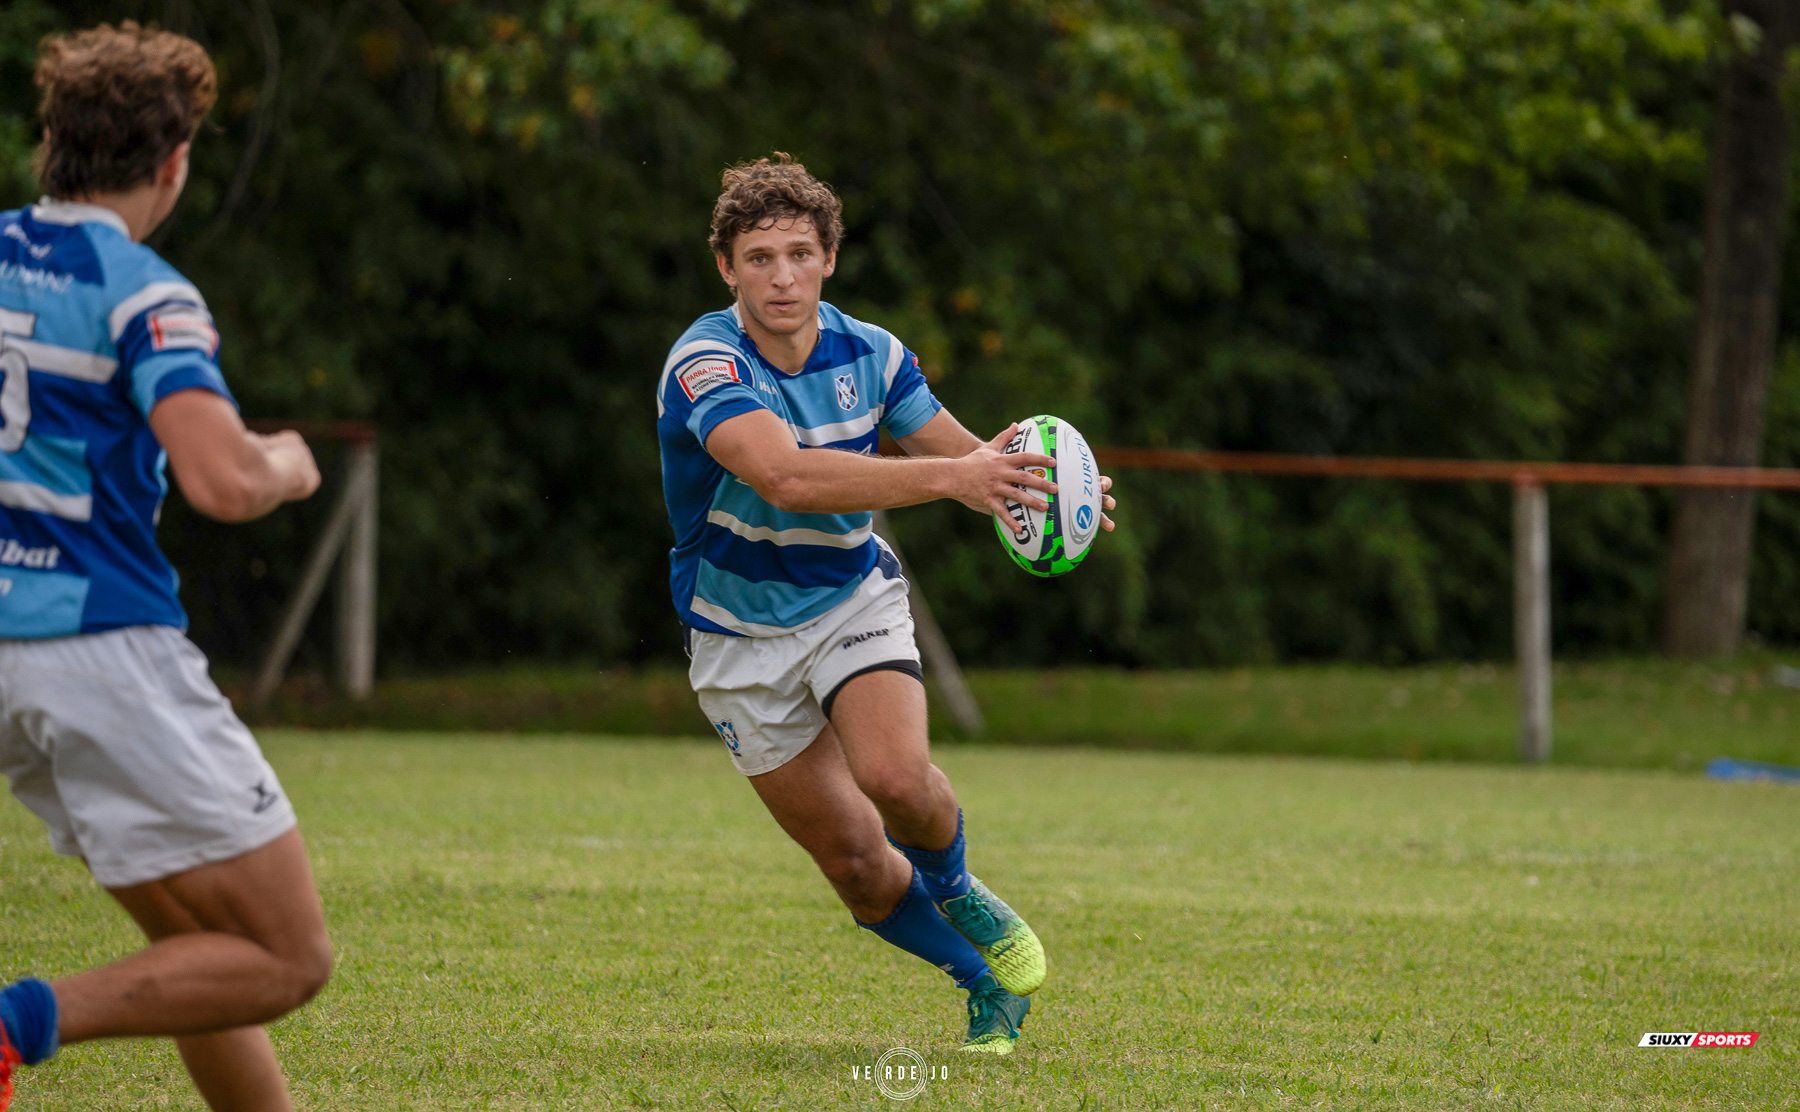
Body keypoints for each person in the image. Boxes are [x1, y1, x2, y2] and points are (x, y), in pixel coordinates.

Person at [656, 154, 1116, 1054]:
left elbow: (972, 455)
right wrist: (959, 476)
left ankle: (958, 886)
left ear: (830, 256)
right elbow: (783, 475)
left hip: (850, 597)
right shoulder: (703, 363)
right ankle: (982, 981)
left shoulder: (874, 353)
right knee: (858, 867)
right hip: (733, 633)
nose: (781, 276)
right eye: (758, 258)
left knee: (896, 779)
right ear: (726, 269)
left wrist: (1052, 492)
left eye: (798, 253)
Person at [0, 24, 331, 1112]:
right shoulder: (143, 290)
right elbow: (221, 481)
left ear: (51, 144)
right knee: (287, 956)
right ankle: (14, 1025)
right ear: (174, 163)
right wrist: (285, 461)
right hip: (96, 647)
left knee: (196, 953)